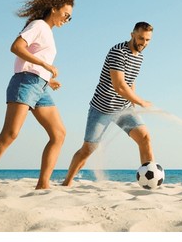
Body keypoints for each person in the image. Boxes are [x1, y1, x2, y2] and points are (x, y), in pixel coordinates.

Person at [0, 0, 74, 190]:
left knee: (59, 134)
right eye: (65, 14)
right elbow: (17, 47)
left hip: (40, 86)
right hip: (25, 83)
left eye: (70, 17)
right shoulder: (39, 25)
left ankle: (43, 184)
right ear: (54, 9)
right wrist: (45, 66)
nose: (67, 19)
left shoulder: (48, 32)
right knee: (10, 134)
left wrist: (48, 79)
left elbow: (34, 61)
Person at [62, 22, 156, 186]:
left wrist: (133, 104)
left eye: (148, 40)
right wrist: (140, 101)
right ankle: (67, 183)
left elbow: (130, 82)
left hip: (124, 108)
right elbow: (119, 85)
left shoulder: (139, 57)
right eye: (141, 38)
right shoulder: (118, 52)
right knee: (88, 150)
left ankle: (150, 181)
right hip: (101, 108)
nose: (144, 43)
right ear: (132, 34)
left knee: (145, 138)